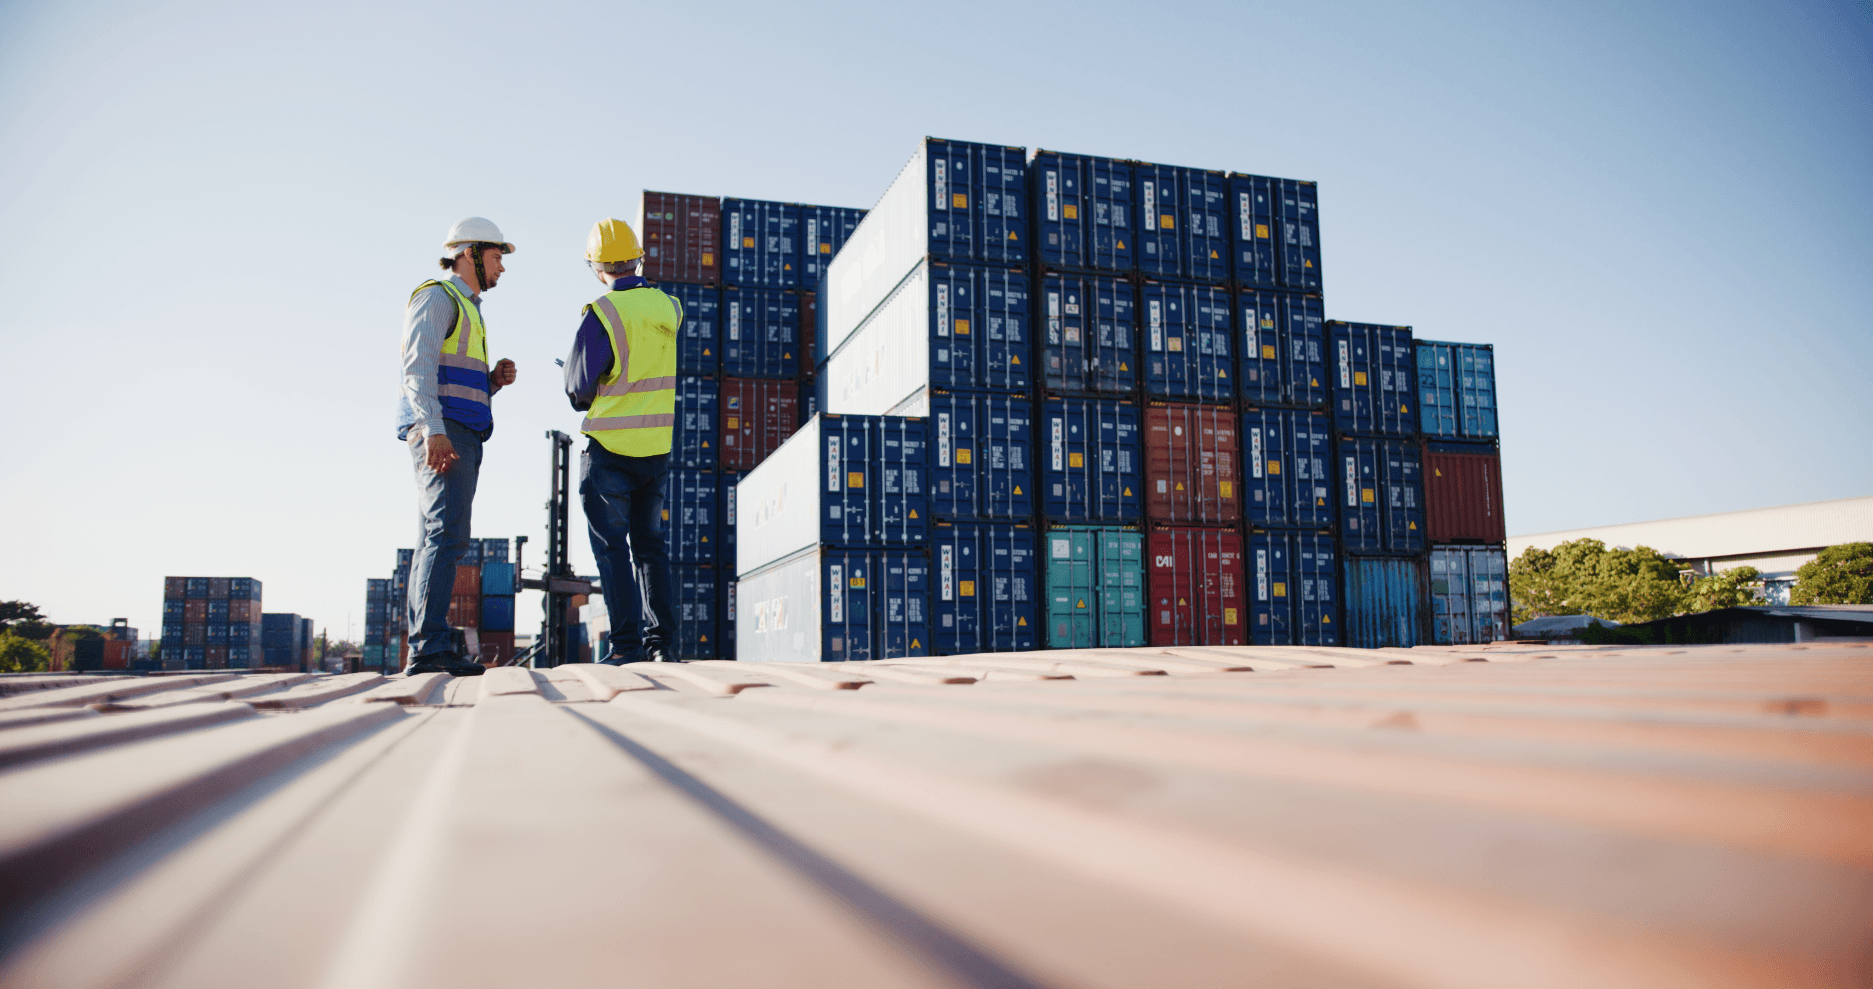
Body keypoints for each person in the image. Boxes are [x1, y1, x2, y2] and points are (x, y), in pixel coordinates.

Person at [397, 218, 518, 677]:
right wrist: (434, 431)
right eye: (496, 258)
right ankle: (428, 649)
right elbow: (418, 370)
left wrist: (492, 383)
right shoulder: (438, 297)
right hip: (444, 433)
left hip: (459, 430)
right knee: (446, 533)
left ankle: (429, 643)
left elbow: (449, 377)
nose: (502, 268)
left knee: (437, 534)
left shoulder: (469, 308)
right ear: (469, 254)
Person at [564, 218, 680, 664]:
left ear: (597, 268)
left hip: (610, 451)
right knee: (650, 549)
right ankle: (662, 646)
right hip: (656, 450)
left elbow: (579, 388)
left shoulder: (602, 312)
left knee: (612, 550)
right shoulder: (670, 307)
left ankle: (627, 647)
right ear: (638, 258)